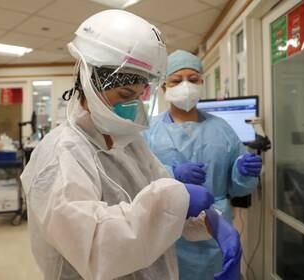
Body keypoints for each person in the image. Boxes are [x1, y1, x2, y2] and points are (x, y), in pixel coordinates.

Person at [21, 10, 220, 280]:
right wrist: (175, 199)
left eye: (138, 96)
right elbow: (95, 247)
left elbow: (161, 207)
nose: (131, 106)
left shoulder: (128, 142)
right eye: (125, 94)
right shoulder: (62, 153)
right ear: (88, 82)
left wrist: (208, 221)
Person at [143, 49, 262, 280]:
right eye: (177, 80)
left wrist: (243, 172)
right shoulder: (148, 131)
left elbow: (237, 187)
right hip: (165, 226)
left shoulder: (223, 129)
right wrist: (172, 173)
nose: (186, 86)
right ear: (164, 87)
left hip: (213, 228)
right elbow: (137, 178)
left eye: (193, 79)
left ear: (202, 83)